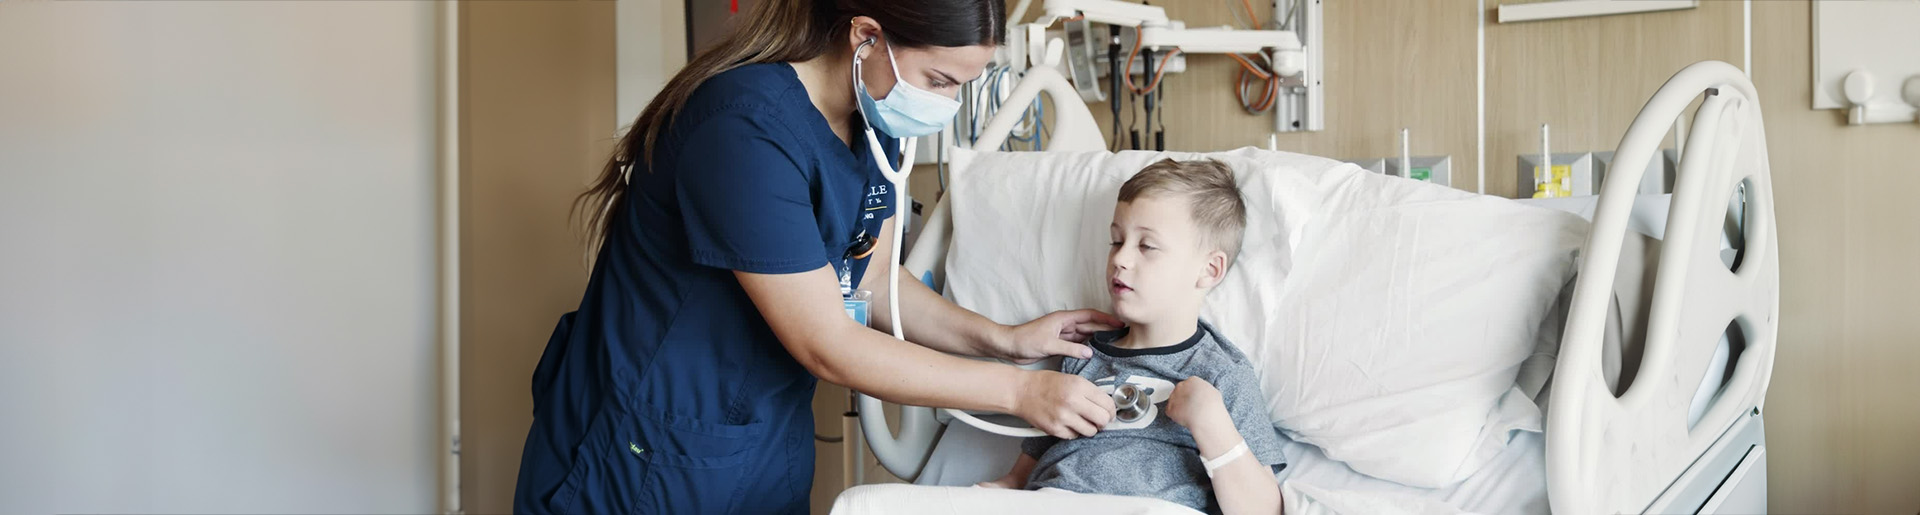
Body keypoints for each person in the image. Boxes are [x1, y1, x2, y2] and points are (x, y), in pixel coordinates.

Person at [511, 0, 1122, 513]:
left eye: (966, 85)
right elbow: (825, 340)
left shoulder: (874, 124)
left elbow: (874, 277)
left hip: (760, 444)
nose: (950, 105)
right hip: (649, 447)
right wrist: (1019, 393)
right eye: (940, 81)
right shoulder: (742, 129)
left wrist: (1005, 340)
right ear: (866, 37)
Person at [978, 159, 1288, 515]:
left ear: (1209, 269)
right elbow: (1032, 460)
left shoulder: (1221, 375)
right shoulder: (1083, 356)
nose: (1120, 259)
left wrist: (1212, 424)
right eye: (1116, 240)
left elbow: (1265, 510)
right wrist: (1005, 488)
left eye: (1147, 246)